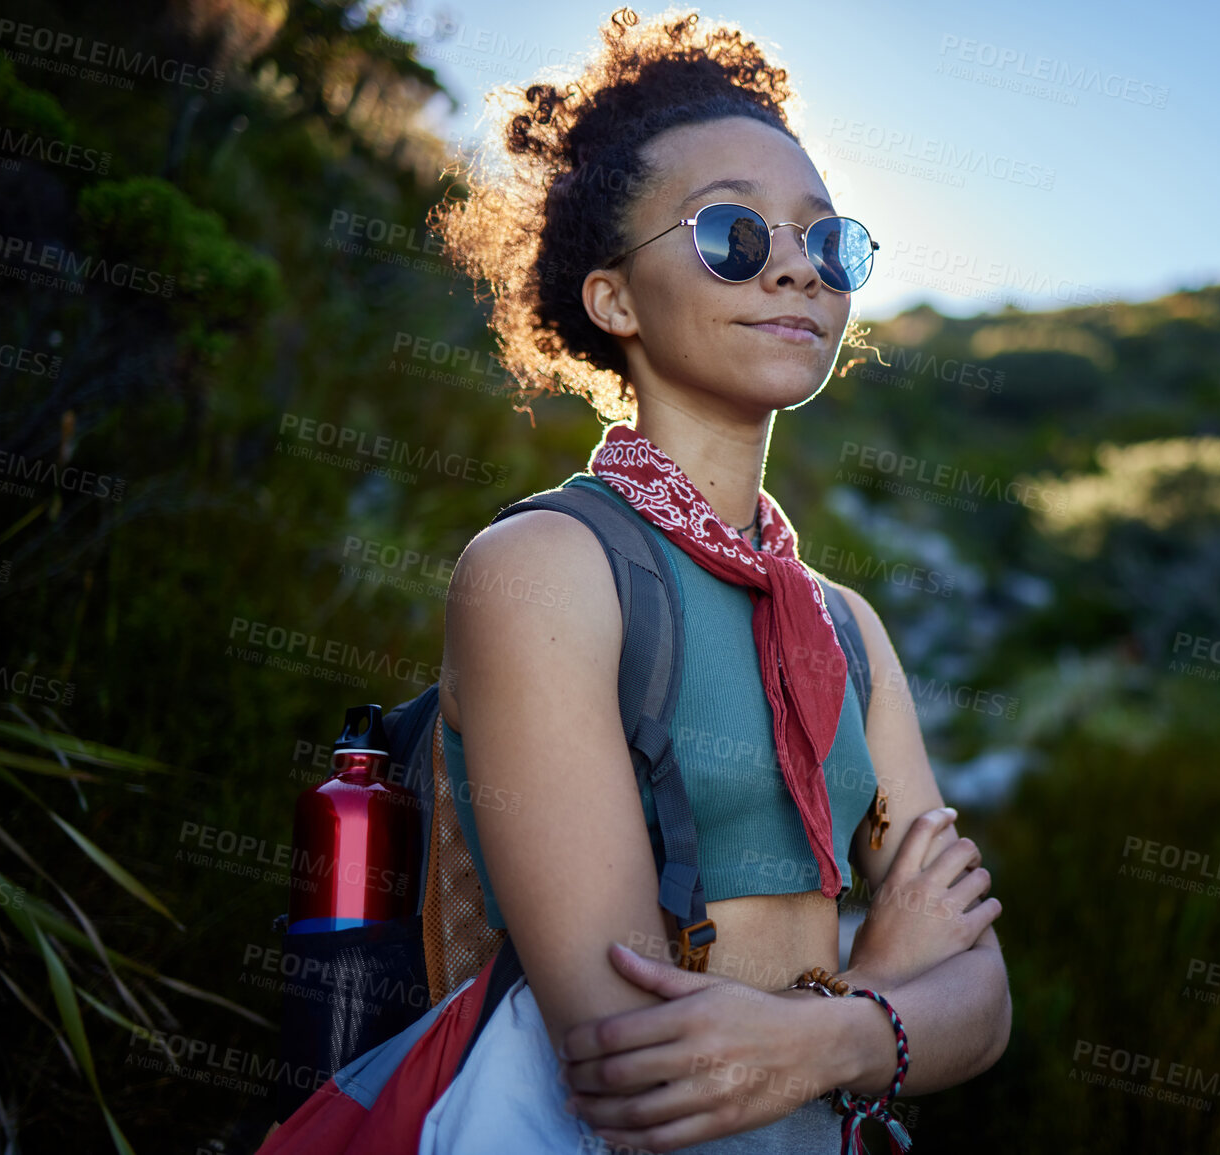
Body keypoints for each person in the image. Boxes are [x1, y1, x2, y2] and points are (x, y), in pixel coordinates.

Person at [429, 8, 1010, 1151]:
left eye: (824, 239)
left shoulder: (845, 628)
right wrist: (877, 999)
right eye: (733, 235)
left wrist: (833, 1033)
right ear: (614, 300)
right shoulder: (545, 572)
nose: (795, 264)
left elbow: (985, 999)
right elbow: (627, 1058)